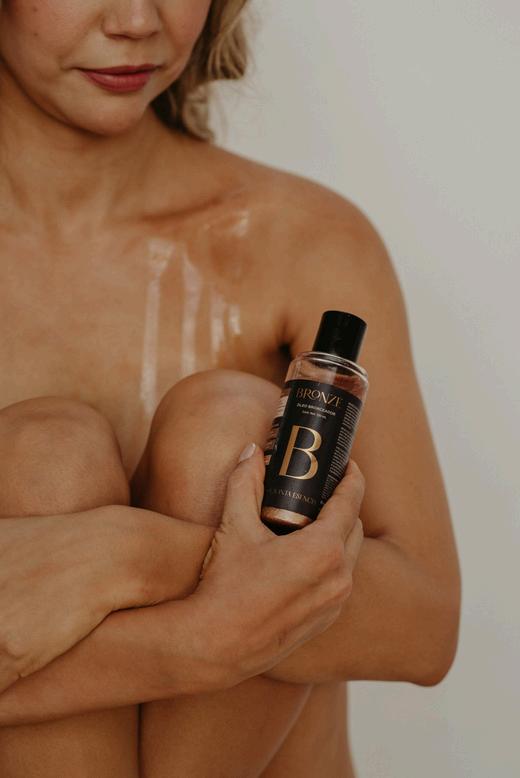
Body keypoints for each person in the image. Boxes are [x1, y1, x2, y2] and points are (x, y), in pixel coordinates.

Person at [0, 1, 461, 776]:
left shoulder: (300, 239)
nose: (136, 20)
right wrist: (194, 642)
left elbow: (425, 625)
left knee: (230, 430)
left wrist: (115, 556)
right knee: (43, 459)